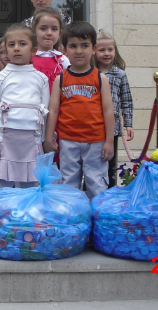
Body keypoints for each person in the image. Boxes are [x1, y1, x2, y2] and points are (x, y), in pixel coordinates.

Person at [44, 21, 115, 199]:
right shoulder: (61, 78)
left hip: (96, 140)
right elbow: (53, 111)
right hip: (68, 140)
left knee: (96, 181)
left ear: (93, 49)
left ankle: (96, 218)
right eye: (73, 46)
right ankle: (74, 217)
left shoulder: (101, 78)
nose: (78, 51)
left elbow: (108, 111)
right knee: (69, 182)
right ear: (64, 49)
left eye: (84, 46)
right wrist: (48, 138)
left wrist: (109, 141)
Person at [0, 23, 49, 189]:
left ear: (34, 50)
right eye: (11, 45)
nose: (16, 48)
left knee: (31, 181)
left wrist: (45, 139)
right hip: (6, 137)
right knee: (5, 180)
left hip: (32, 137)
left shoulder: (41, 79)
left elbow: (46, 111)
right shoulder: (0, 78)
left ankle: (28, 212)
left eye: (22, 44)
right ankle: (4, 212)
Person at [93, 30, 134, 188]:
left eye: (110, 49)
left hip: (113, 128)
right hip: (94, 126)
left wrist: (128, 124)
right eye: (102, 50)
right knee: (93, 163)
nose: (106, 53)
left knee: (110, 162)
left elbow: (127, 100)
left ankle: (110, 191)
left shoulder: (120, 74)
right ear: (94, 51)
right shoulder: (90, 73)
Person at [31, 7, 70, 93]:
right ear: (34, 31)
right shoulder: (28, 58)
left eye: (54, 29)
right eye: (43, 28)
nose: (49, 33)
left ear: (60, 33)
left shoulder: (62, 60)